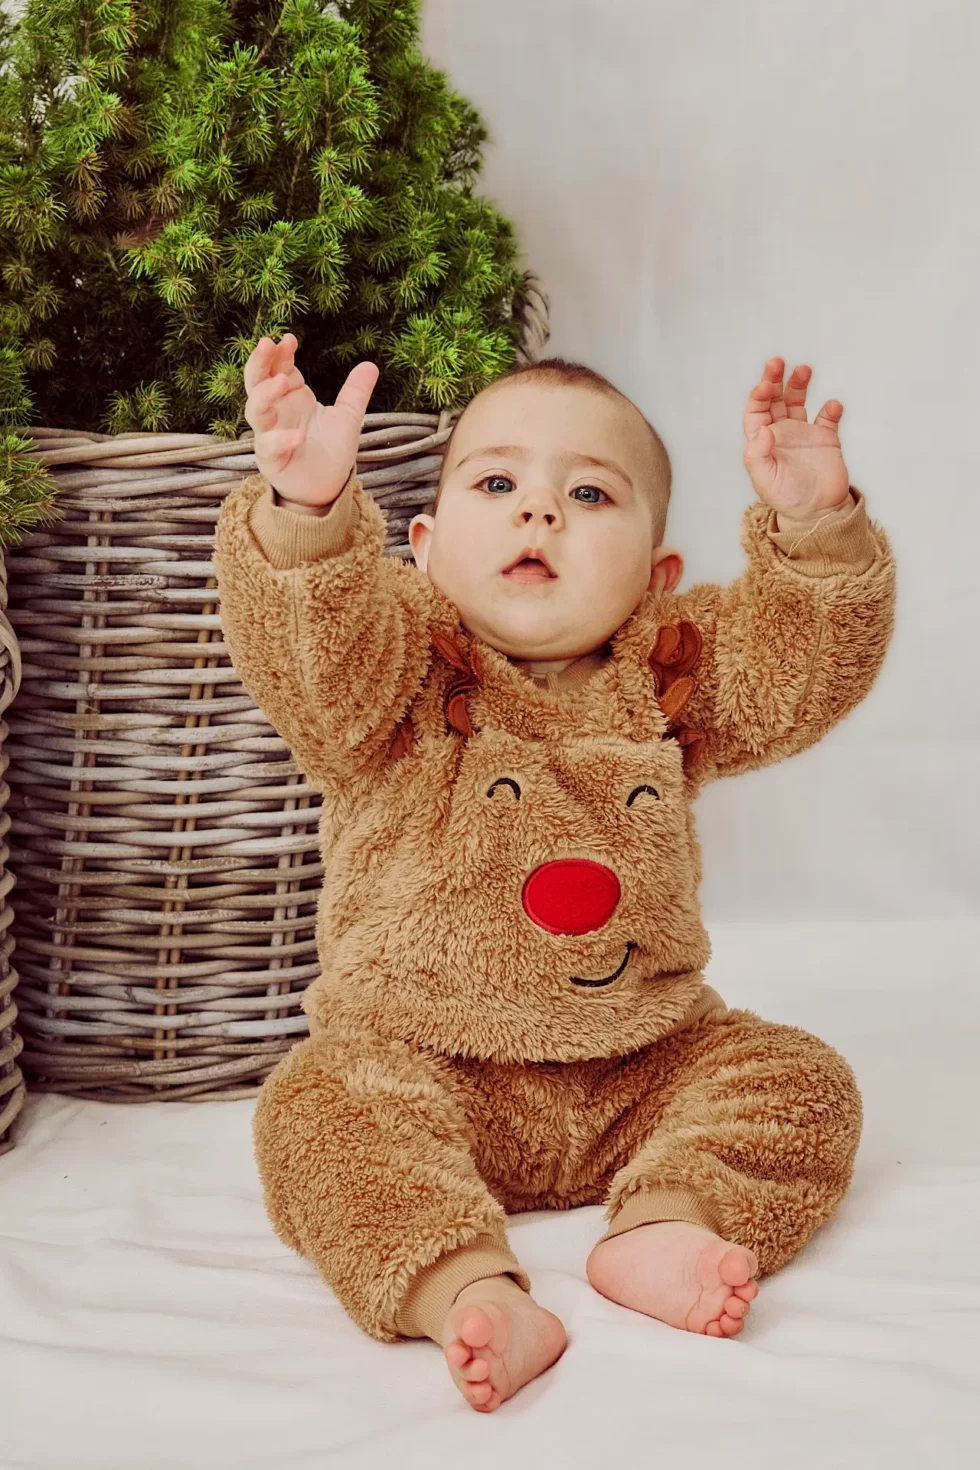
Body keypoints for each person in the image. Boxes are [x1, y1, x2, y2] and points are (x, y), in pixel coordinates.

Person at [214, 335, 895, 1413]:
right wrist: (308, 515)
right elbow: (307, 644)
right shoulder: (390, 666)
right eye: (498, 483)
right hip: (427, 1064)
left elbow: (794, 673)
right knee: (317, 1112)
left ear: (657, 574)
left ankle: (668, 1218)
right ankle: (463, 1285)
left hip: (639, 1063)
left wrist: (816, 527)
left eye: (588, 492)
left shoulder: (668, 672)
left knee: (798, 1080)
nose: (540, 513)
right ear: (425, 544)